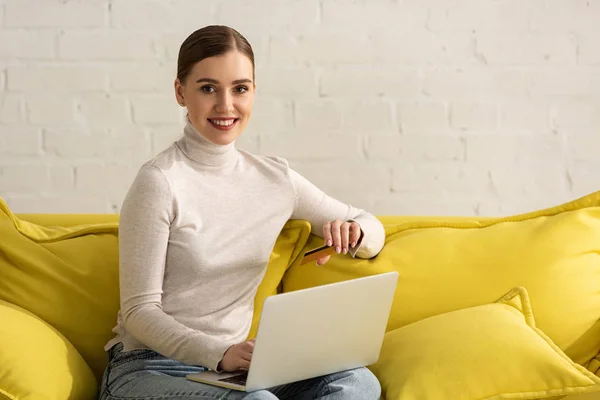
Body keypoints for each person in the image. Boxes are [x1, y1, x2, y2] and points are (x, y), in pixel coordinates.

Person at [98, 25, 386, 400]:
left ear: (253, 93)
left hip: (237, 368)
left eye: (240, 88)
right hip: (150, 368)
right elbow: (139, 311)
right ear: (180, 92)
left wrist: (355, 232)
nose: (225, 106)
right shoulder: (160, 182)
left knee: (357, 384)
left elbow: (370, 224)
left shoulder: (275, 179)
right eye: (207, 88)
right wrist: (219, 353)